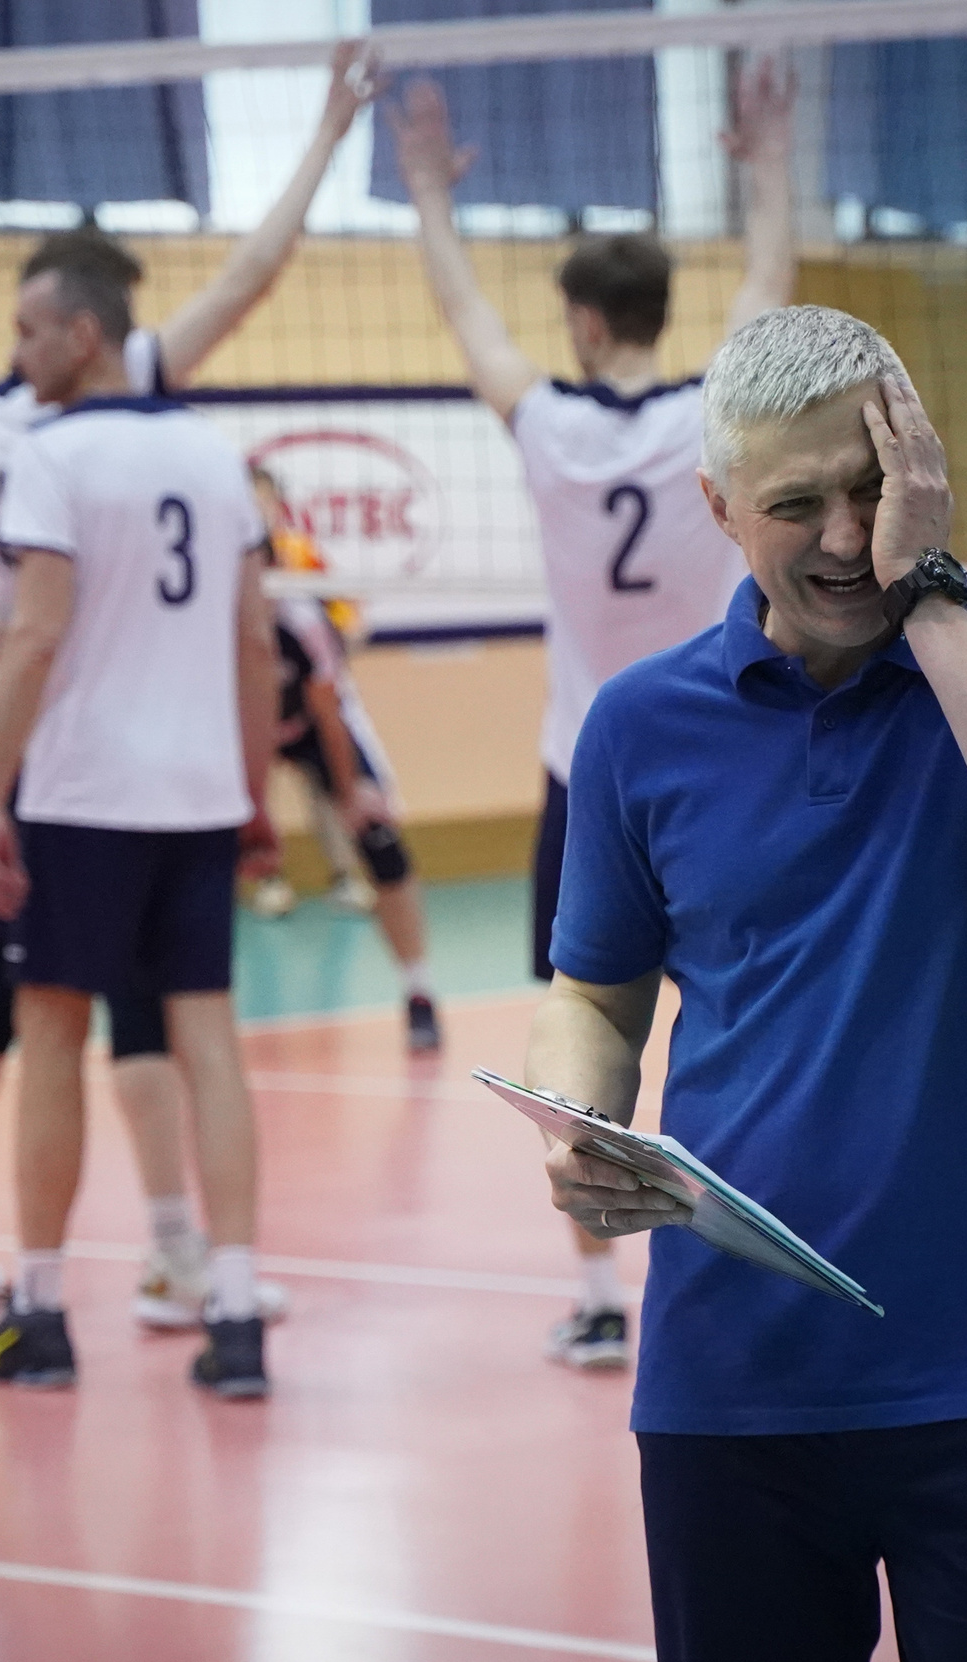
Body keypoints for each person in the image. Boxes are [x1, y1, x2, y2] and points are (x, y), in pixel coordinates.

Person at [529, 306, 967, 1662]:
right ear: (717, 509)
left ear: (924, 474)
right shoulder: (638, 723)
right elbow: (593, 990)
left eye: (872, 489)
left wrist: (928, 592)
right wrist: (578, 1119)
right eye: (796, 503)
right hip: (730, 1382)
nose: (839, 536)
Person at [0, 42, 378, 1325]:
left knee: (96, 1012)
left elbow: (251, 278)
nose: (28, 341)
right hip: (88, 755)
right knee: (49, 1009)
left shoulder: (119, 403)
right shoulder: (16, 427)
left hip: (99, 759)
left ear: (82, 329)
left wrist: (319, 138)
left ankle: (146, 1253)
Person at [389, 58, 796, 1370]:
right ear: (661, 313)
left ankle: (602, 1294)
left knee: (588, 1024)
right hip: (727, 768)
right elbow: (772, 298)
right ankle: (765, 1258)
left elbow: (463, 318)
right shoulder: (710, 420)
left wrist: (429, 200)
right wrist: (769, 165)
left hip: (589, 776)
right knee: (746, 1018)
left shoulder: (551, 424)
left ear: (577, 318)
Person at [0, 241, 281, 1398]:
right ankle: (235, 1314)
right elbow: (254, 640)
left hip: (84, 795)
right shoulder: (213, 452)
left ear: (83, 335)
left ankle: (38, 1311)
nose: (17, 352)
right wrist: (254, 794)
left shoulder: (49, 454)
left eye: (29, 330)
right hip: (196, 797)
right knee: (207, 1042)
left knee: (50, 1036)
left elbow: (31, 637)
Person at [270, 576, 443, 1054]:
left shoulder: (300, 619)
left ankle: (419, 993)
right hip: (246, 725)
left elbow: (330, 712)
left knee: (379, 838)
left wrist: (350, 797)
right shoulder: (213, 616)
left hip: (316, 723)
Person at [245, 466, 377, 919]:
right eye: (250, 501)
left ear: (278, 505)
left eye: (264, 501)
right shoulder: (232, 558)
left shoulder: (300, 552)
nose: (258, 510)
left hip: (306, 688)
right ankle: (268, 879)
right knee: (255, 785)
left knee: (327, 785)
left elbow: (344, 608)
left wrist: (345, 633)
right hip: (255, 699)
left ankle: (344, 874)